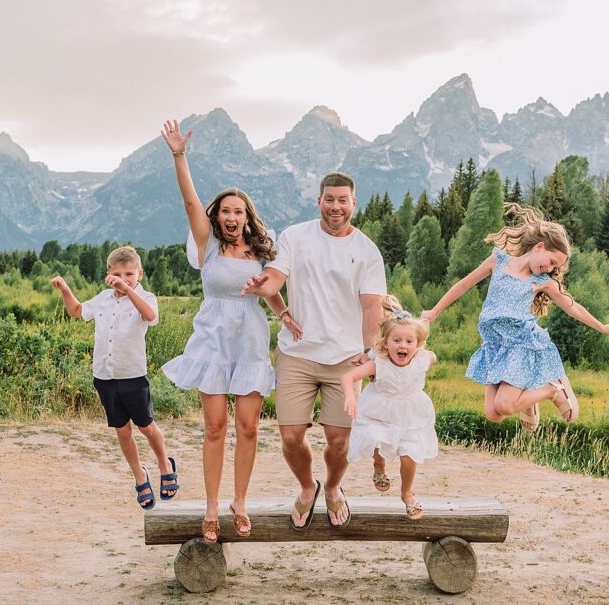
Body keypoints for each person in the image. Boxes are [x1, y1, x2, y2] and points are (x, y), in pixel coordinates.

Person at [158, 119, 300, 544]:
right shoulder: (207, 244)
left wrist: (285, 314)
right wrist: (179, 156)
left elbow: (268, 290)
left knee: (250, 427)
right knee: (216, 426)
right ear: (218, 216)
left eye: (239, 211)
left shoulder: (261, 249)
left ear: (247, 217)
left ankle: (240, 501)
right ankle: (211, 506)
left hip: (251, 339)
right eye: (226, 211)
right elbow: (189, 202)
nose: (232, 217)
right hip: (213, 340)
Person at [242, 172, 386, 530]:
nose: (335, 207)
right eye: (329, 199)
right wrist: (264, 286)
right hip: (298, 353)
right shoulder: (295, 236)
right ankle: (308, 487)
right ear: (319, 201)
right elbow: (276, 277)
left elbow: (372, 308)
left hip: (347, 360)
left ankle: (334, 487)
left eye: (342, 200)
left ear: (354, 203)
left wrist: (371, 354)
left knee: (339, 441)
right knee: (291, 436)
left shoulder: (366, 251)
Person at [422, 203, 609, 429]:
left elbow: (572, 307)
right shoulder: (498, 261)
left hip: (521, 344)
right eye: (551, 261)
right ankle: (529, 398)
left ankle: (551, 389)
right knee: (493, 414)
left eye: (554, 267)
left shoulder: (541, 281)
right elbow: (464, 284)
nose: (549, 268)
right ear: (539, 246)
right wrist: (434, 311)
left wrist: (602, 327)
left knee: (505, 405)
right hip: (496, 345)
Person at [51, 246, 178, 510]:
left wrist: (129, 289)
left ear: (139, 274)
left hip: (132, 376)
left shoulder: (146, 297)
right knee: (123, 430)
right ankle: (139, 475)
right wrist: (65, 288)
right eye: (117, 274)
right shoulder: (102, 299)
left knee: (146, 427)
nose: (123, 278)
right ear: (108, 274)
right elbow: (76, 311)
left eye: (129, 274)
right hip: (105, 377)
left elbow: (151, 317)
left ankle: (165, 464)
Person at [341, 295, 437, 519]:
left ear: (417, 344)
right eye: (397, 341)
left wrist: (425, 333)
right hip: (379, 411)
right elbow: (348, 377)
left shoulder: (422, 359)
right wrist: (350, 397)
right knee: (376, 438)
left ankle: (407, 494)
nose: (403, 345)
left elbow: (432, 356)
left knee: (410, 454)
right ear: (385, 343)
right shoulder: (378, 363)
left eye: (409, 341)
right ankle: (379, 466)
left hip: (411, 414)